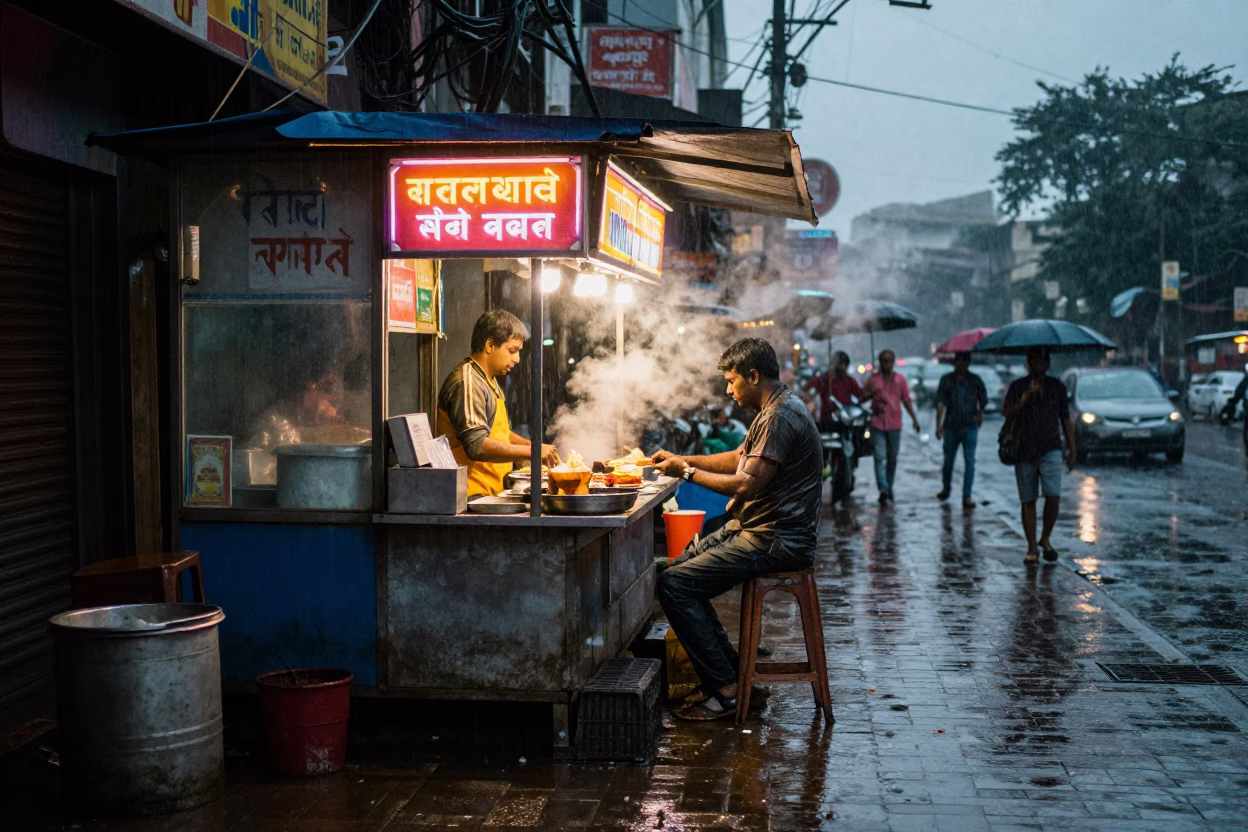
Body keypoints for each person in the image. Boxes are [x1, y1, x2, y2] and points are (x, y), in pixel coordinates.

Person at [652, 338, 822, 722]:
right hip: (756, 529)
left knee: (675, 586)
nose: (729, 391)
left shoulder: (780, 417)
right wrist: (682, 459)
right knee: (680, 567)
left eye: (732, 381)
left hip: (776, 539)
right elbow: (737, 459)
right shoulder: (772, 409)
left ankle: (728, 692)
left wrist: (687, 472)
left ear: (753, 376)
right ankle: (736, 679)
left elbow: (746, 483)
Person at [435, 309, 560, 497]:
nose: (517, 359)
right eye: (512, 350)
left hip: (490, 493)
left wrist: (535, 447)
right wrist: (532, 451)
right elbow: (476, 446)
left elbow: (499, 434)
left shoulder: (489, 380)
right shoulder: (469, 382)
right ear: (490, 345)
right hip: (468, 495)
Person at [1002, 346, 1077, 564]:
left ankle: (1045, 538)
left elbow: (1066, 419)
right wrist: (1025, 396)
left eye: (1044, 361)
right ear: (1029, 363)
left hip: (1051, 448)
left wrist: (1072, 448)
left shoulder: (1057, 387)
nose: (1040, 366)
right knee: (1028, 499)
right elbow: (1007, 412)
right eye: (1036, 361)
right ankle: (1032, 547)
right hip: (1024, 449)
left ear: (1048, 364)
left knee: (1053, 495)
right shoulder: (1018, 386)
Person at [863, 349, 921, 504]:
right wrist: (871, 393)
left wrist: (914, 419)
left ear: (893, 362)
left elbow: (906, 400)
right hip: (877, 422)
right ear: (880, 362)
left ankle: (889, 486)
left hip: (895, 424)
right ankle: (883, 488)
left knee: (892, 458)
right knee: (879, 456)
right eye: (884, 361)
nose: (886, 364)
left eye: (889, 361)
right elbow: (862, 397)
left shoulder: (900, 380)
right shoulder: (873, 380)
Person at [935, 352, 987, 509]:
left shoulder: (975, 380)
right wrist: (938, 425)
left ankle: (967, 495)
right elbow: (940, 403)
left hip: (969, 425)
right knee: (948, 460)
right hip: (951, 426)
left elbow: (983, 400)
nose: (962, 365)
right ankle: (946, 487)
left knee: (970, 461)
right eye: (959, 361)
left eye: (965, 361)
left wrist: (979, 413)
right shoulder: (946, 380)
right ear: (955, 362)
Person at [808, 350, 863, 431]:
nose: (842, 367)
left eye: (844, 365)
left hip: (844, 420)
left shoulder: (849, 381)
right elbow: (809, 388)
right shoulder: (825, 379)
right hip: (827, 419)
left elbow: (860, 395)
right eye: (840, 364)